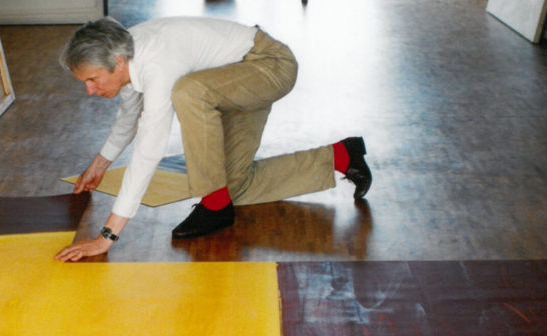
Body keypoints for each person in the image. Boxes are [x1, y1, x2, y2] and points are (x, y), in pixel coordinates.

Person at [54, 16, 371, 262]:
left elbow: (150, 146)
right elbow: (128, 118)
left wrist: (107, 236)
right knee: (236, 187)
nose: (90, 90)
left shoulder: (157, 62)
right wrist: (99, 164)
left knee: (188, 92)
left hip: (268, 65)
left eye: (92, 80)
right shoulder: (123, 52)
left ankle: (214, 204)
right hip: (230, 80)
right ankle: (343, 156)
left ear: (118, 62)